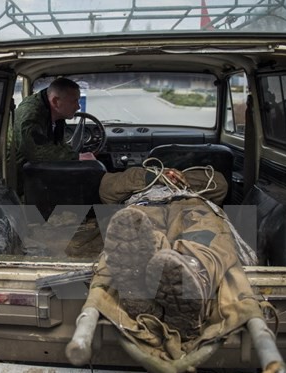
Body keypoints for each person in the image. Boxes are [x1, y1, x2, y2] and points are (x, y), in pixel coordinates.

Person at [82, 162, 261, 359]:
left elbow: (220, 185)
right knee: (136, 236)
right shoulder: (137, 175)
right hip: (144, 206)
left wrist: (181, 177)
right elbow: (106, 189)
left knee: (206, 234)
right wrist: (154, 177)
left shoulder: (201, 177)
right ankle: (140, 285)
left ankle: (192, 279)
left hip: (192, 204)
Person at [14, 77, 96, 162]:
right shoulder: (31, 115)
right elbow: (37, 151)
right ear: (56, 101)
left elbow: (59, 144)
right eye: (74, 101)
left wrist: (76, 155)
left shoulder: (55, 113)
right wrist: (76, 157)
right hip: (18, 169)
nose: (78, 107)